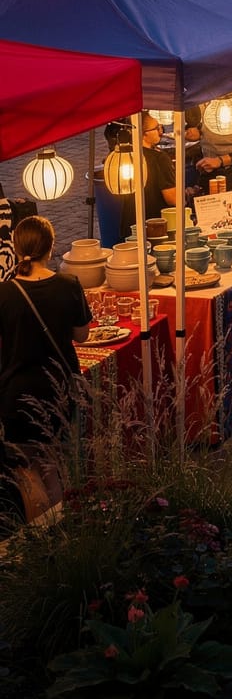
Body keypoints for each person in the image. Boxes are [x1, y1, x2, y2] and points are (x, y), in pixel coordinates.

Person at [0, 217, 91, 519]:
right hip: (58, 389)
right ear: (51, 248)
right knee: (53, 466)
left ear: (16, 248)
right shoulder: (69, 285)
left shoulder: (4, 294)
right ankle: (58, 534)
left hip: (17, 392)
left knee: (27, 471)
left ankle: (39, 539)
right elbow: (82, 335)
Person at [117, 112, 177, 239]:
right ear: (143, 134)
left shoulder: (125, 156)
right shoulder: (159, 158)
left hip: (130, 225)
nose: (160, 131)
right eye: (156, 128)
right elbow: (172, 197)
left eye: (160, 127)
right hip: (154, 226)